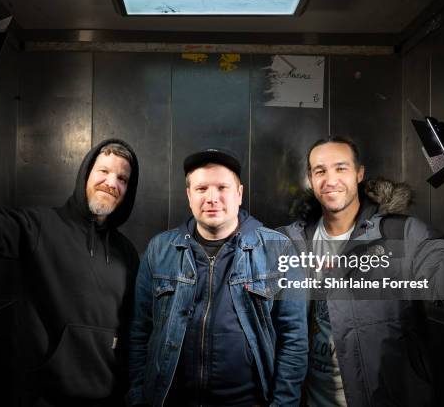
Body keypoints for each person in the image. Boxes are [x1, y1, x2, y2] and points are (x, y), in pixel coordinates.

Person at [0, 107, 140, 406]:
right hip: (43, 398)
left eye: (122, 179)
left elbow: (134, 329)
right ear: (86, 174)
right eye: (103, 171)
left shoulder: (127, 254)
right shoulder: (40, 227)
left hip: (109, 400)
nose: (112, 183)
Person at [278, 137, 444, 407]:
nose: (330, 179)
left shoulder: (401, 234)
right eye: (320, 171)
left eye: (341, 168)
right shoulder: (292, 241)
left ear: (359, 173)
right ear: (310, 179)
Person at [127, 148, 308, 407]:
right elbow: (139, 333)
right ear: (189, 195)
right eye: (201, 189)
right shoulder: (159, 249)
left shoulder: (278, 249)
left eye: (222, 187)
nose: (212, 198)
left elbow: (294, 340)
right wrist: (137, 398)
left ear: (239, 193)